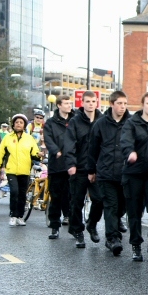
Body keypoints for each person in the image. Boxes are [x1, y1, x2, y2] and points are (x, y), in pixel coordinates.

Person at [88, 91, 131, 256]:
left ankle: (112, 228)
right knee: (110, 206)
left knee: (122, 206)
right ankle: (112, 238)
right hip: (106, 172)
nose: (122, 107)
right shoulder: (100, 124)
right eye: (119, 103)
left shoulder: (131, 123)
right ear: (112, 104)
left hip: (126, 173)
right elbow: (92, 149)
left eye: (125, 103)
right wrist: (91, 170)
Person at [120, 92, 148, 262]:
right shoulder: (132, 123)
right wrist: (130, 152)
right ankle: (136, 245)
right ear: (143, 105)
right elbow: (125, 141)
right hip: (134, 173)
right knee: (134, 212)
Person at [64, 90, 104, 247]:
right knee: (77, 201)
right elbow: (69, 143)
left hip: (96, 168)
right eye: (87, 101)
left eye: (93, 101)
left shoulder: (102, 120)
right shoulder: (75, 121)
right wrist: (71, 164)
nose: (91, 104)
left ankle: (92, 225)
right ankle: (77, 230)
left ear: (97, 103)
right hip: (79, 168)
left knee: (99, 199)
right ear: (82, 103)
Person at [0, 114, 43, 226]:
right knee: (14, 192)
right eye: (16, 122)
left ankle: (20, 216)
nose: (18, 124)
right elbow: (0, 155)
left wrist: (38, 154)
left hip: (25, 171)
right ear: (13, 124)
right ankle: (13, 215)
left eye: (21, 122)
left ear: (24, 125)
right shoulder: (7, 138)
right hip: (11, 171)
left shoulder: (29, 139)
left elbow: (34, 153)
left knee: (22, 194)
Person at [44, 95, 73, 241]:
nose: (69, 105)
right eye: (66, 103)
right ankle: (55, 226)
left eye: (70, 103)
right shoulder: (50, 122)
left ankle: (73, 224)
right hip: (57, 165)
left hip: (72, 164)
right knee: (55, 196)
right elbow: (48, 138)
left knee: (71, 195)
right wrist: (56, 151)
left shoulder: (74, 120)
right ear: (59, 105)